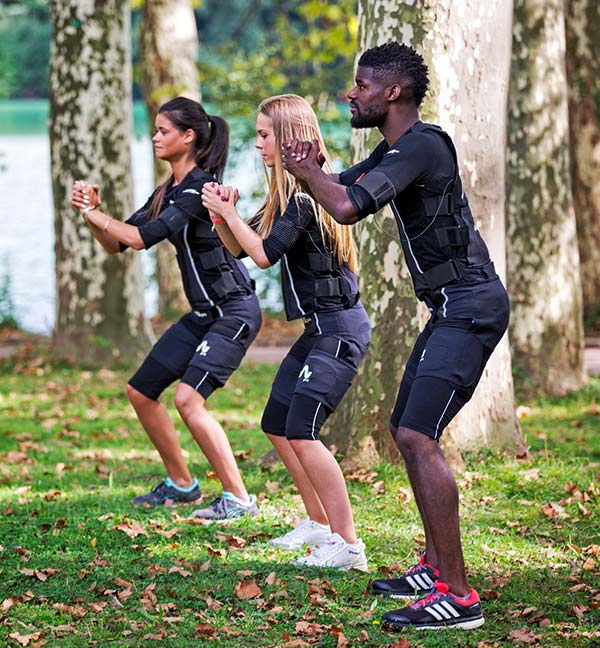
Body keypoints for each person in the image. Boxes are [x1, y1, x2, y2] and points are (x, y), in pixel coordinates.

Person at [281, 43, 509, 629]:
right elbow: (335, 190)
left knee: (416, 435)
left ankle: (458, 598)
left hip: (470, 306)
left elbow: (349, 206)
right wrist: (309, 168)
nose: (348, 95)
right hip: (450, 309)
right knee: (406, 430)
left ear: (392, 93)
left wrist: (310, 172)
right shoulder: (396, 150)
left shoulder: (424, 146)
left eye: (358, 85)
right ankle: (435, 568)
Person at [201, 94, 371, 571]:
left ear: (289, 137)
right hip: (317, 330)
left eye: (263, 135)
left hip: (339, 328)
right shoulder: (286, 196)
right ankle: (318, 525)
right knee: (277, 423)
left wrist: (231, 218)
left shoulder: (306, 196)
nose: (257, 144)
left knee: (302, 430)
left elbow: (264, 254)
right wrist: (222, 216)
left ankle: (349, 545)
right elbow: (241, 245)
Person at [70, 97, 262, 520]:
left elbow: (144, 238)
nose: (155, 137)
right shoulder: (168, 191)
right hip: (202, 314)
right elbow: (118, 243)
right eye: (155, 131)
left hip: (233, 310)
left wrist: (97, 214)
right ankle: (182, 484)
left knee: (189, 400)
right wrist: (92, 214)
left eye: (163, 131)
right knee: (140, 392)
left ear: (188, 136)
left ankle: (238, 498)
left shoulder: (199, 188)